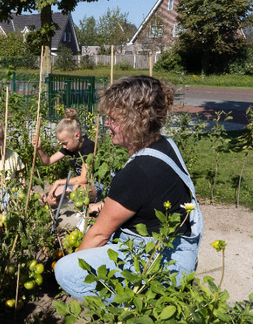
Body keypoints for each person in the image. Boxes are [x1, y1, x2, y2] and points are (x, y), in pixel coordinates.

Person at [54, 76, 203, 302]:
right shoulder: (166, 144)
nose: (106, 124)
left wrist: (78, 264)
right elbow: (144, 198)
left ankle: (130, 308)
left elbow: (98, 235)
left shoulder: (138, 171)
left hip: (157, 264)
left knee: (65, 270)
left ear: (135, 122)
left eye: (112, 119)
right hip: (180, 250)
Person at [32, 108, 98, 208]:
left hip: (96, 187)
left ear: (77, 135)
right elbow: (48, 162)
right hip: (79, 186)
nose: (63, 147)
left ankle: (90, 204)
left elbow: (84, 178)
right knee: (51, 198)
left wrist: (58, 182)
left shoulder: (89, 146)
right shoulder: (69, 148)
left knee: (76, 189)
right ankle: (46, 200)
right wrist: (39, 149)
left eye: (65, 143)